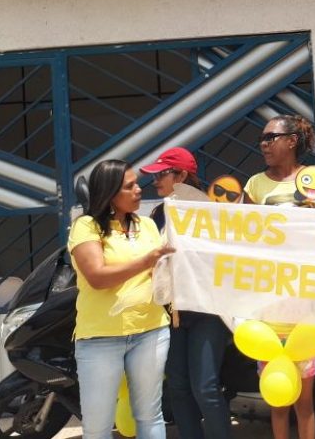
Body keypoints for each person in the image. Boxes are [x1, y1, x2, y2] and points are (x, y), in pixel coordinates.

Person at [68, 159, 174, 439]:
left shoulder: (148, 225)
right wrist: (147, 261)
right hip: (100, 338)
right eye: (130, 186)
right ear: (110, 193)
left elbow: (158, 273)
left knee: (150, 417)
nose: (139, 190)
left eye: (137, 183)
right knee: (98, 426)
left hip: (151, 330)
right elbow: (97, 277)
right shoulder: (86, 226)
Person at [142, 147, 233, 439]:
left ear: (181, 175)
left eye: (161, 174)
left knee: (205, 387)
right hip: (172, 313)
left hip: (208, 311)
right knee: (178, 386)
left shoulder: (210, 210)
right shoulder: (158, 213)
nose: (155, 181)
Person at [244, 115, 315, 439]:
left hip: (305, 306)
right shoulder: (254, 185)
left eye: (270, 138)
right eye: (262, 140)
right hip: (269, 306)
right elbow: (241, 234)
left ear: (291, 141)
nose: (263, 144)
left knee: (304, 403)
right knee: (277, 401)